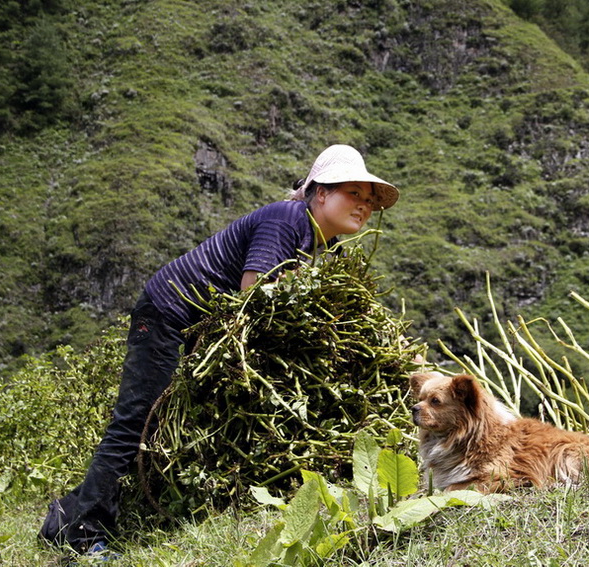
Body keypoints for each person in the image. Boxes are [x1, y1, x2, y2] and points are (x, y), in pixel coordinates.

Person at [38, 144, 399, 556]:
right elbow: (254, 294)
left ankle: (64, 520)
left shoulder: (322, 244)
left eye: (370, 201)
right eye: (355, 193)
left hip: (196, 329)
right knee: (134, 424)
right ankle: (83, 540)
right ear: (321, 193)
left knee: (158, 428)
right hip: (167, 315)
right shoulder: (286, 220)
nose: (364, 206)